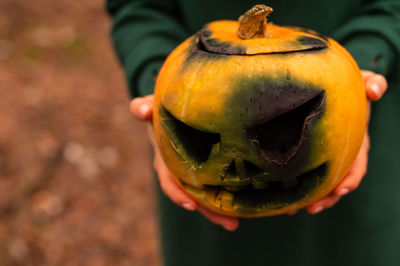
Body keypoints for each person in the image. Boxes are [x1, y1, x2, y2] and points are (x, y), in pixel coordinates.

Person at [106, 1, 400, 265]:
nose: (240, 167)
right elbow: (139, 6)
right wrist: (158, 86)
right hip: (187, 95)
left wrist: (362, 68)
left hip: (359, 135)